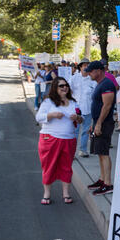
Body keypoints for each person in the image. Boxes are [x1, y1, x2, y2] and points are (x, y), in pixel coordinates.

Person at [36, 77, 83, 205]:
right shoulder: (48, 102)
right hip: (50, 139)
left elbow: (81, 119)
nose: (64, 88)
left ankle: (66, 193)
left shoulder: (73, 103)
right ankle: (47, 194)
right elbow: (38, 117)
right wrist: (52, 115)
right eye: (61, 86)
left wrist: (77, 117)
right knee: (49, 166)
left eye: (66, 85)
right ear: (55, 88)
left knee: (66, 167)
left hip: (68, 139)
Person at [85, 61, 117, 196]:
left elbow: (107, 105)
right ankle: (102, 179)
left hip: (105, 123)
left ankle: (108, 184)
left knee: (104, 152)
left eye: (91, 71)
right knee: (99, 152)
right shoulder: (100, 84)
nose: (89, 74)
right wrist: (94, 123)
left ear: (98, 71)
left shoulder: (107, 84)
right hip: (98, 122)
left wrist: (99, 123)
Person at [69, 58, 95, 157]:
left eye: (88, 65)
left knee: (85, 131)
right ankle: (72, 153)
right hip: (76, 110)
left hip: (88, 109)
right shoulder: (74, 78)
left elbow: (95, 95)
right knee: (74, 132)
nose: (86, 67)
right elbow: (68, 91)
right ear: (80, 67)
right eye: (84, 65)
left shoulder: (92, 80)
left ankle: (83, 150)